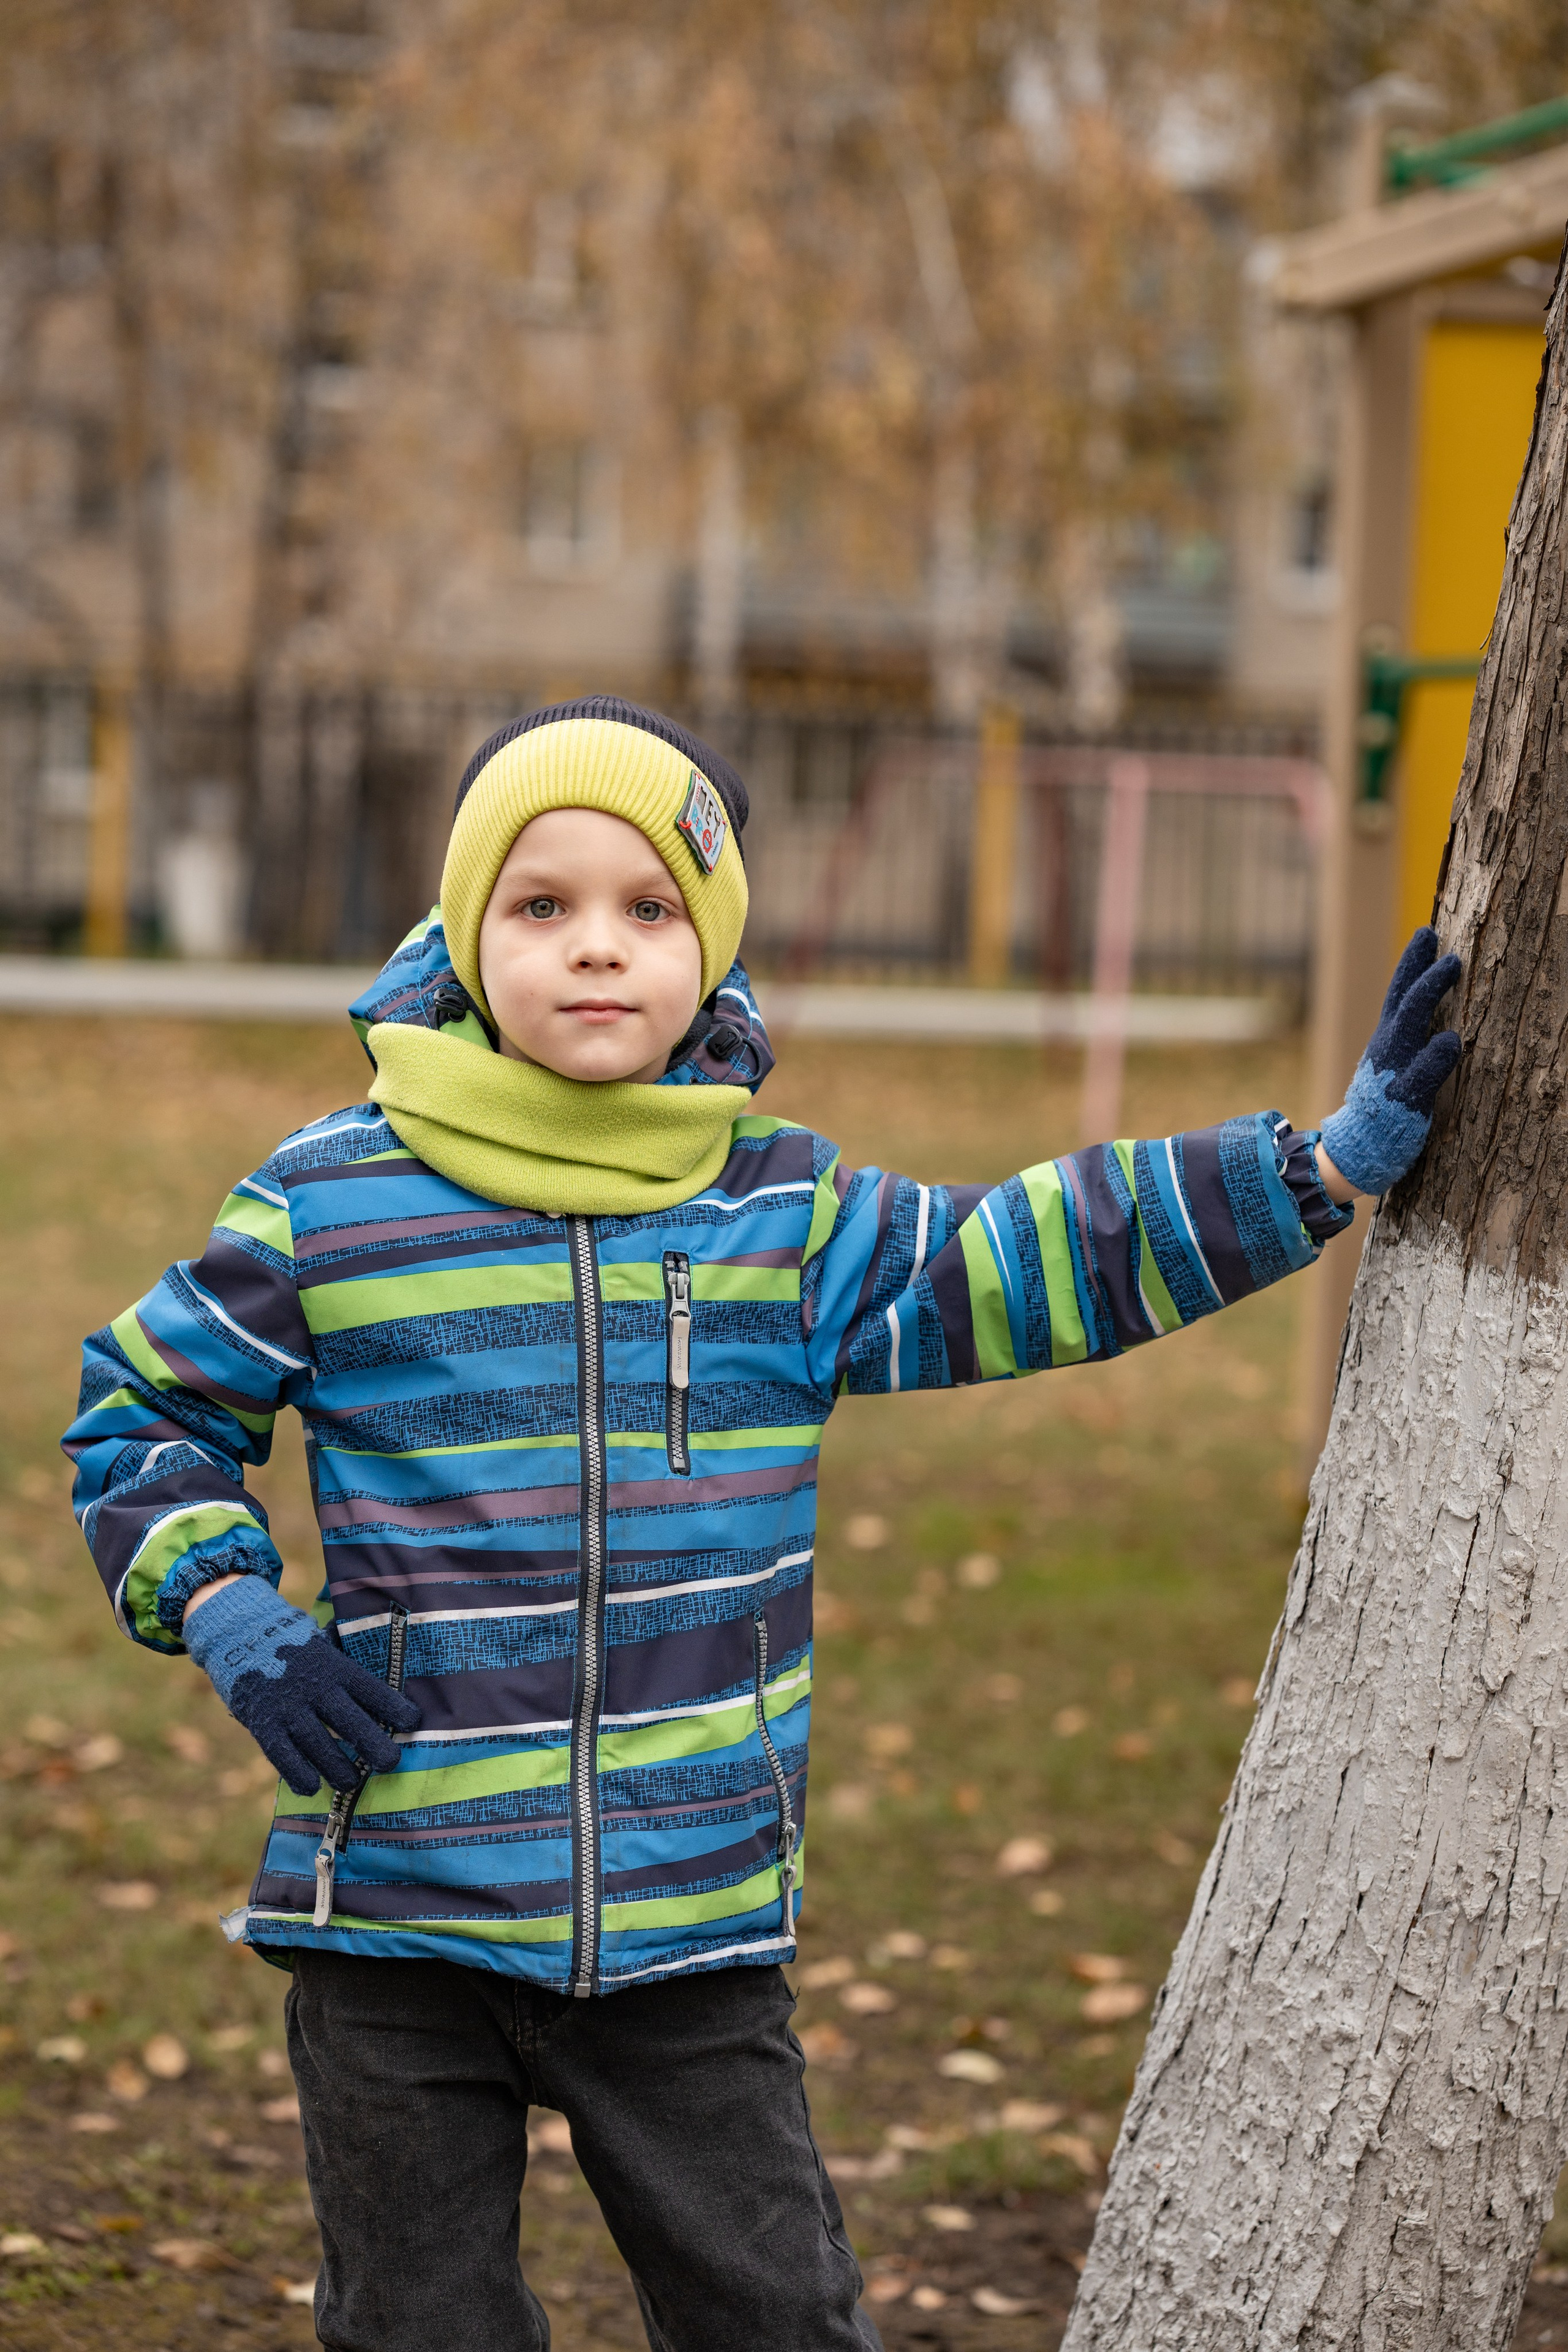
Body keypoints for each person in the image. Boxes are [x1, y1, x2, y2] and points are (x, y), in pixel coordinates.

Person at [62, 697, 1461, 2352]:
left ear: (712, 950)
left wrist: (1310, 1173)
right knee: (420, 2324)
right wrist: (226, 1605)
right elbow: (143, 1412)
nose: (598, 947)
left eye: (650, 909)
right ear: (464, 932)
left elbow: (1026, 1257)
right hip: (395, 1912)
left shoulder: (781, 1218)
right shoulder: (329, 1199)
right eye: (542, 903)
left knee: (775, 2317)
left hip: (693, 1910)